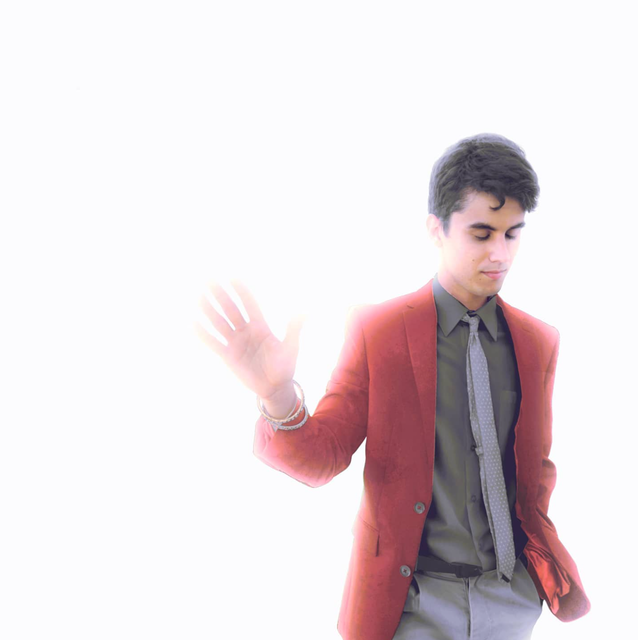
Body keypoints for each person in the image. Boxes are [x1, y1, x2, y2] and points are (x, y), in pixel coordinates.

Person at [195, 133, 591, 639]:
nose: (500, 253)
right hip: (412, 603)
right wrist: (277, 396)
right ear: (436, 230)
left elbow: (535, 470)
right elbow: (323, 457)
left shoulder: (538, 341)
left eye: (512, 234)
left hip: (510, 601)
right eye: (481, 233)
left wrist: (533, 575)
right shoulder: (379, 331)